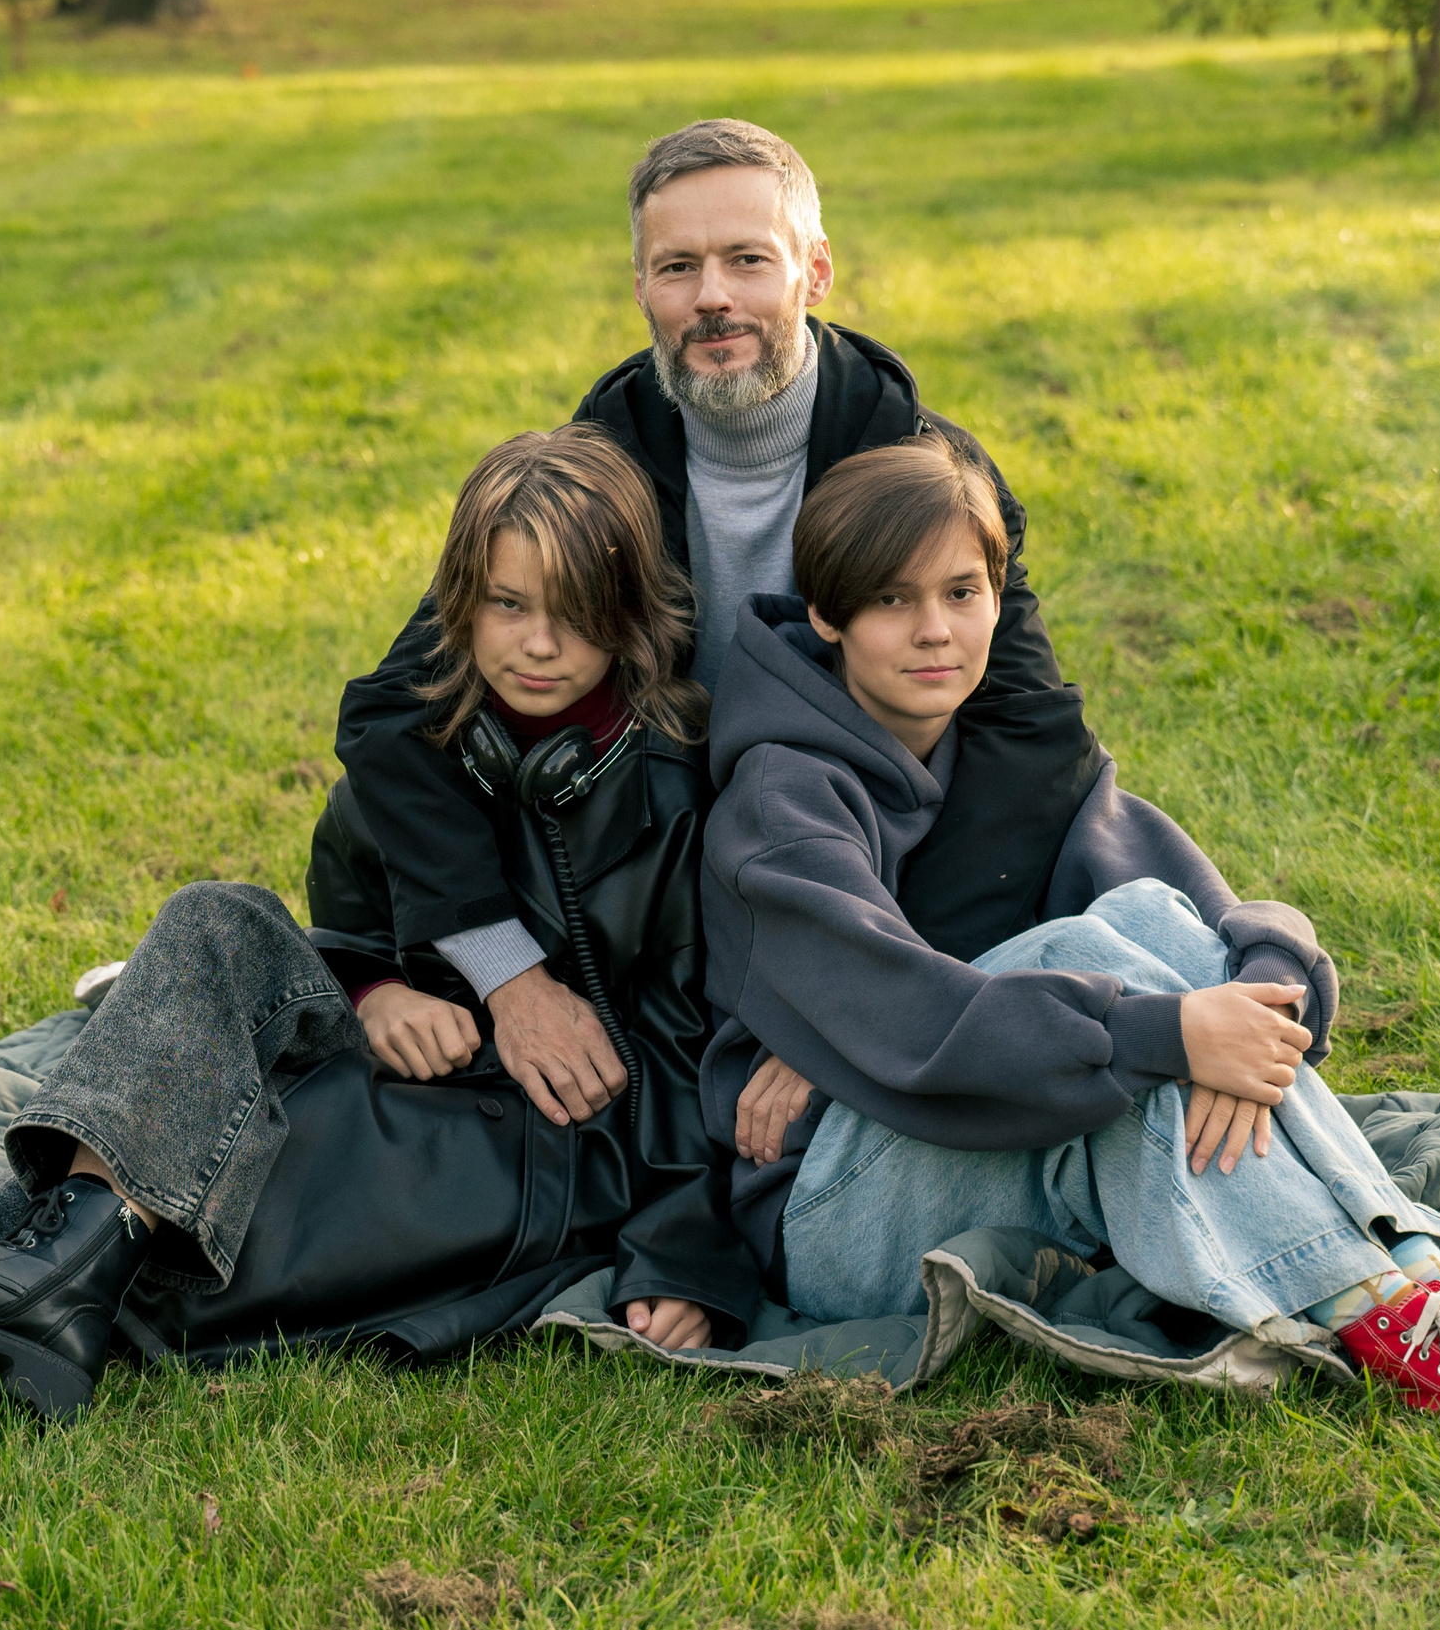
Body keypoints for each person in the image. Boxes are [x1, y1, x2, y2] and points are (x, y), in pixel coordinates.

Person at [0, 425, 760, 1418]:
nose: (537, 643)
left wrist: (682, 1252)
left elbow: (707, 1050)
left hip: (571, 1139)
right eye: (506, 605)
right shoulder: (431, 757)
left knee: (223, 1176)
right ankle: (21, 1277)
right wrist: (378, 991)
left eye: (572, 613)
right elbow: (351, 918)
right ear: (460, 603)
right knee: (212, 934)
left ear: (630, 614)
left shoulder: (673, 789)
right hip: (427, 1057)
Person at [698, 436, 1440, 1443]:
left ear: (997, 596)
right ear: (827, 614)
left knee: (1144, 933)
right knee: (1096, 976)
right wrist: (1164, 1034)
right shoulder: (783, 795)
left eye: (961, 592)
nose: (935, 631)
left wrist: (1266, 978)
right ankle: (1404, 1319)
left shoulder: (996, 741)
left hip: (951, 1140)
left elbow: (1209, 918)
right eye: (893, 601)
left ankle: (1413, 1297)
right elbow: (917, 1018)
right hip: (824, 1216)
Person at [333, 119, 1109, 1159]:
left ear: (815, 272)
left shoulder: (920, 472)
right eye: (678, 266)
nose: (713, 297)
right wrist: (511, 980)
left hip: (854, 862)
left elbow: (1028, 738)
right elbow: (399, 707)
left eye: (749, 260)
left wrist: (868, 997)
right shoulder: (593, 473)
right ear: (641, 286)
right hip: (643, 882)